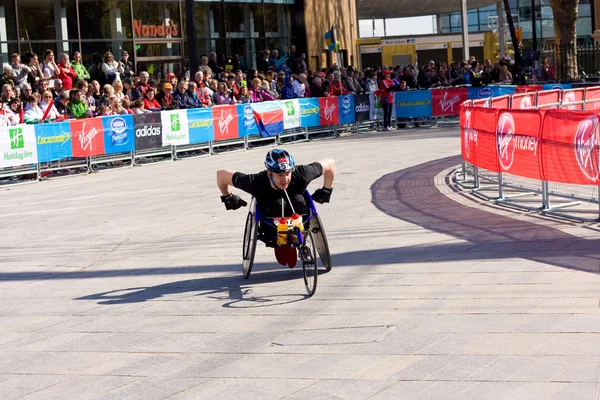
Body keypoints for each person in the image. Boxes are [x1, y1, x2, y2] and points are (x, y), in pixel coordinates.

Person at [216, 149, 335, 267]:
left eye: (288, 173)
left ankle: (301, 240)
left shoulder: (301, 174)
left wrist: (326, 189)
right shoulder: (256, 182)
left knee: (299, 200)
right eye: (280, 175)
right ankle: (282, 241)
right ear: (269, 173)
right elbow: (221, 175)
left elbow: (330, 163)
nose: (285, 179)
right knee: (277, 205)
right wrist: (227, 196)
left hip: (299, 217)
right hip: (271, 224)